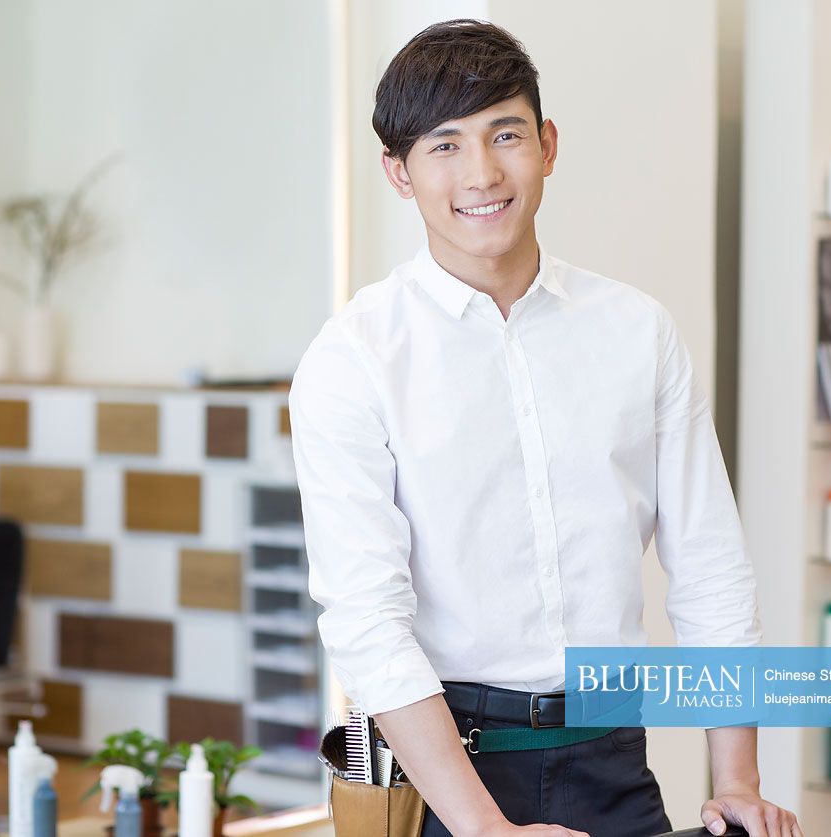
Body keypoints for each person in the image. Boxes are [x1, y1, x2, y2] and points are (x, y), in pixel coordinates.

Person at [288, 19, 803, 837]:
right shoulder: (354, 358)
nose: (482, 172)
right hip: (444, 778)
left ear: (548, 144)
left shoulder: (637, 332)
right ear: (398, 172)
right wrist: (487, 829)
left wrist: (735, 776)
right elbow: (365, 622)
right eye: (444, 146)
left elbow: (709, 569)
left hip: (612, 756)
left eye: (505, 134)